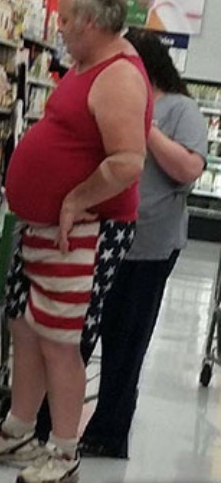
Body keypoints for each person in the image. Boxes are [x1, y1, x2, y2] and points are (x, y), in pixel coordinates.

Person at [0, 0, 153, 483]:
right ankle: (19, 429)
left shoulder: (118, 75)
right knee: (26, 326)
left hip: (86, 231)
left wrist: (73, 200)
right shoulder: (87, 64)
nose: (59, 26)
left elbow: (128, 161)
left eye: (65, 18)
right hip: (47, 229)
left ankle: (64, 452)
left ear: (90, 21)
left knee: (59, 341)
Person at [78, 28, 208, 460]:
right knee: (86, 331)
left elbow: (189, 168)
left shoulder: (181, 109)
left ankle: (109, 433)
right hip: (103, 236)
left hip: (149, 245)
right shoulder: (115, 94)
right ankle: (61, 418)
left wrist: (146, 127)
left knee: (126, 339)